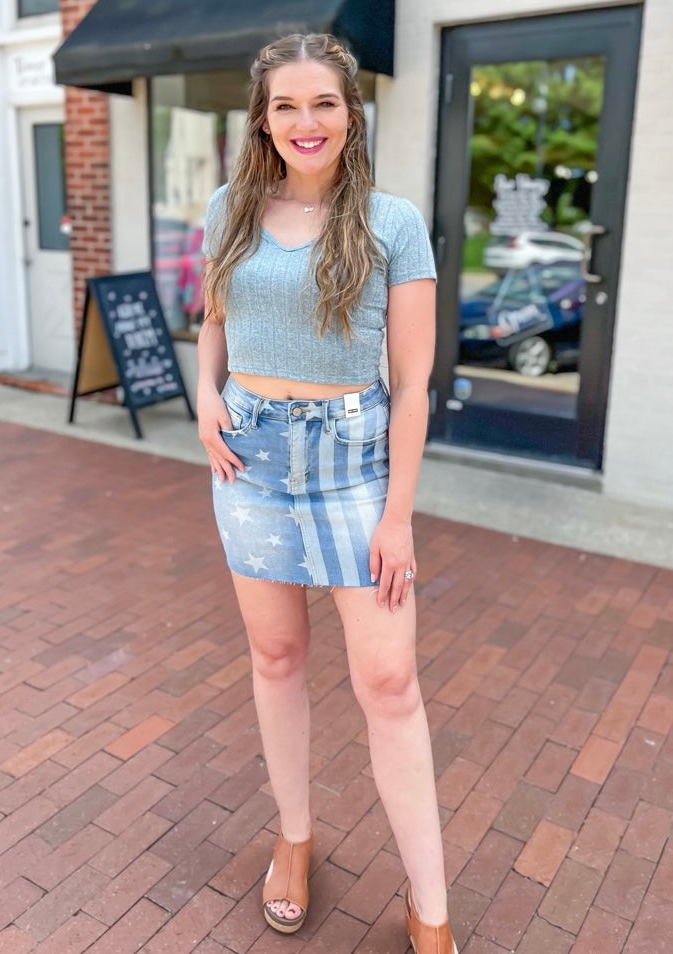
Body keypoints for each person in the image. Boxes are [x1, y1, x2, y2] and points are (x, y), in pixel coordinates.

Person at [198, 33, 456, 954]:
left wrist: (398, 514)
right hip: (252, 465)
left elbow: (413, 383)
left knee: (388, 684)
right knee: (275, 662)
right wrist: (204, 400)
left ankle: (430, 912)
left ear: (352, 113)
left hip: (355, 467)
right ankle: (295, 838)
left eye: (323, 105)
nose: (305, 123)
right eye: (285, 106)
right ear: (262, 119)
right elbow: (215, 319)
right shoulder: (231, 207)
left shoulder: (392, 222)